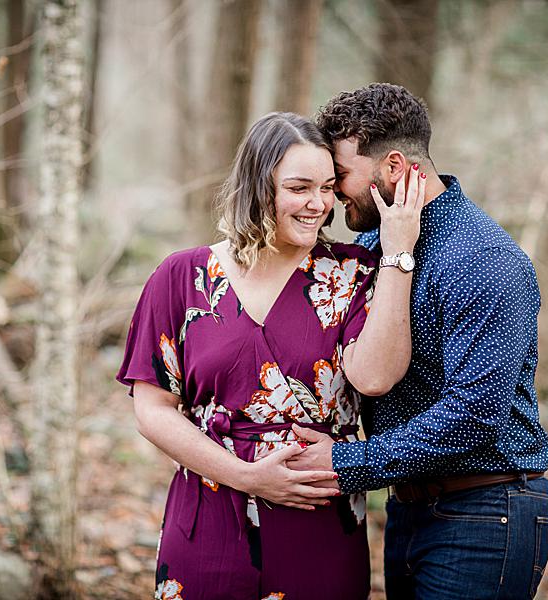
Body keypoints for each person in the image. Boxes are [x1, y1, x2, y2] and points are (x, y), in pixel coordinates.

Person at [116, 112, 425, 600]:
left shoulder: (355, 273)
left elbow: (379, 378)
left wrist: (398, 252)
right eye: (299, 188)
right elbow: (151, 410)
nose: (318, 204)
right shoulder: (180, 277)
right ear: (258, 187)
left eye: (328, 188)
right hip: (209, 513)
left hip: (317, 518)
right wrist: (246, 476)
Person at [289, 83, 548, 599]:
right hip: (406, 509)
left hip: (485, 512)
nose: (332, 193)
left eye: (340, 176)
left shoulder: (485, 259)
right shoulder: (371, 243)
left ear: (392, 168)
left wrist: (345, 464)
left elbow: (476, 413)